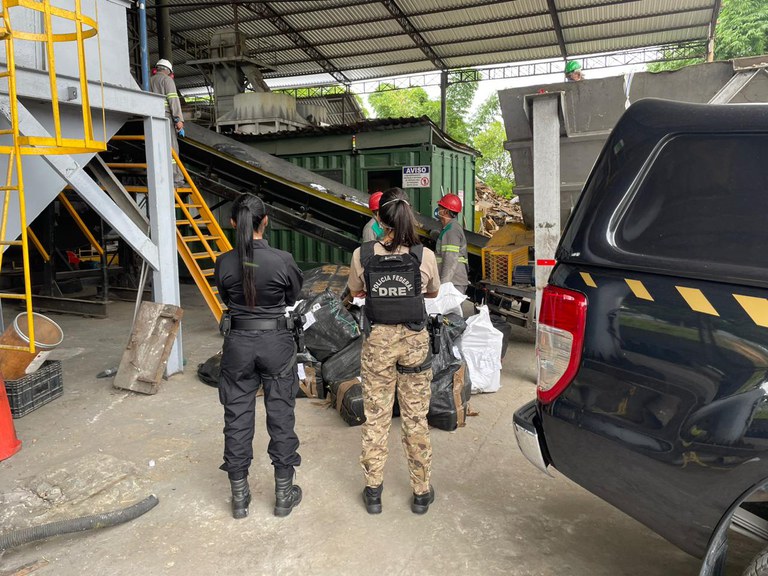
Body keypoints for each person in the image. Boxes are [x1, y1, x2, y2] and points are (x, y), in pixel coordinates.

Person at [347, 187, 440, 515]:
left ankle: (373, 492)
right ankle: (420, 492)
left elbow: (355, 291)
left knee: (376, 416)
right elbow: (432, 292)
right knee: (415, 417)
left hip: (377, 346)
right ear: (408, 216)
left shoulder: (363, 254)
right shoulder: (424, 255)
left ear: (378, 219)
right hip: (414, 344)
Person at [214, 194, 304, 519]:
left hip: (238, 342)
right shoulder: (282, 259)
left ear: (233, 223)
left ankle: (239, 498)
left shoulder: (224, 261)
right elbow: (294, 294)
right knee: (281, 414)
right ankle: (283, 496)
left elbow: (225, 296)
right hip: (275, 341)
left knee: (236, 416)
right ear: (265, 221)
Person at [149, 58, 185, 186]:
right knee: (172, 149)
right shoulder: (167, 80)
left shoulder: (149, 80)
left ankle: (160, 176)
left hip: (152, 119)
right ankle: (176, 178)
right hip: (166, 119)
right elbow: (173, 100)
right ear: (169, 71)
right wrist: (178, 120)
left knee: (157, 148)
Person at [435, 193, 469, 294]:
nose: (438, 210)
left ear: (445, 211)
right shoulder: (449, 228)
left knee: (450, 310)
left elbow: (450, 259)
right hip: (453, 281)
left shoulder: (452, 230)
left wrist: (443, 285)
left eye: (439, 207)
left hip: (453, 283)